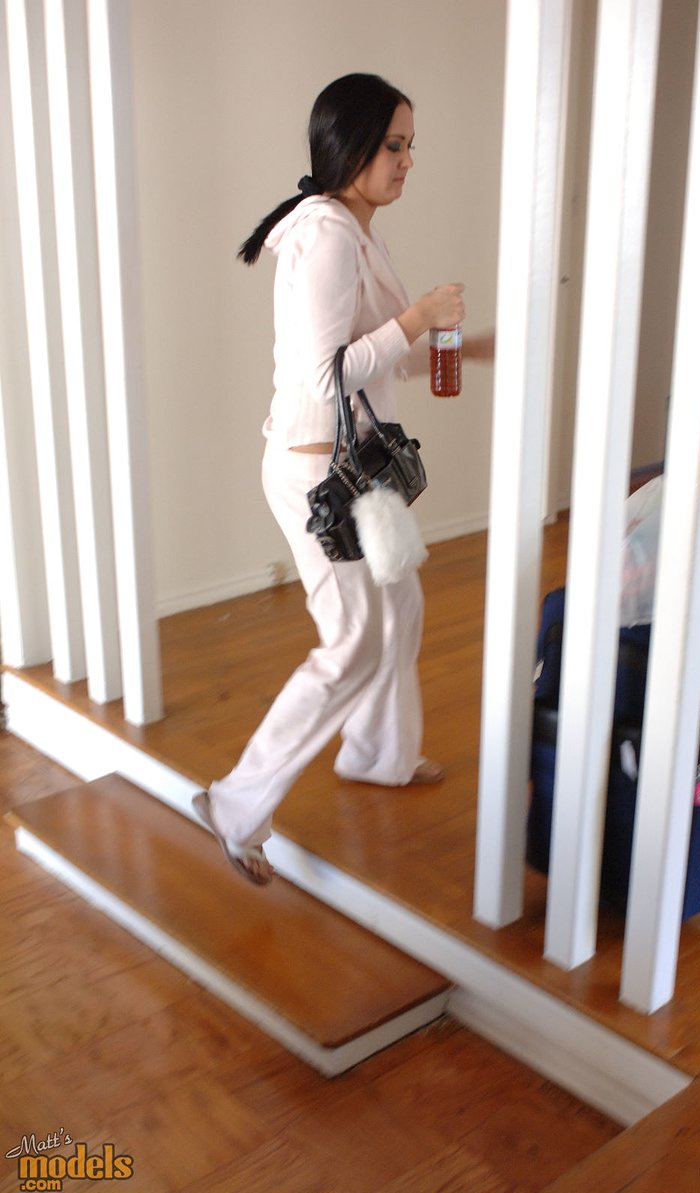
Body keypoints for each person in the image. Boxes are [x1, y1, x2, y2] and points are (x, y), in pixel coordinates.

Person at [194, 72, 487, 885]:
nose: (406, 161)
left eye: (409, 146)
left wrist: (468, 345)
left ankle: (377, 755)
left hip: (357, 469)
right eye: (393, 145)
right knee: (354, 640)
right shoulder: (324, 235)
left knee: (401, 605)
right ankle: (233, 805)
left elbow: (375, 360)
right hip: (316, 475)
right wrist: (418, 318)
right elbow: (326, 377)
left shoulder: (355, 231)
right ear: (350, 146)